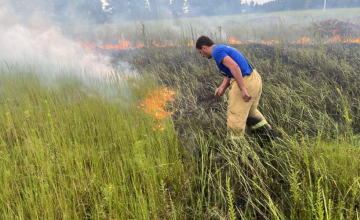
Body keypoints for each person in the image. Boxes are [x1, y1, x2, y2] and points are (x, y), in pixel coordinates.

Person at [196, 35, 274, 140]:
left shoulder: (216, 52)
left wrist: (242, 89)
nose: (202, 55)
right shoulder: (222, 48)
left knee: (235, 115)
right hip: (254, 79)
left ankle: (235, 148)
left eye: (200, 52)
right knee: (250, 112)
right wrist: (222, 87)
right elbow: (230, 72)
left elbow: (234, 67)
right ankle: (268, 135)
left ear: (204, 47)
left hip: (246, 81)